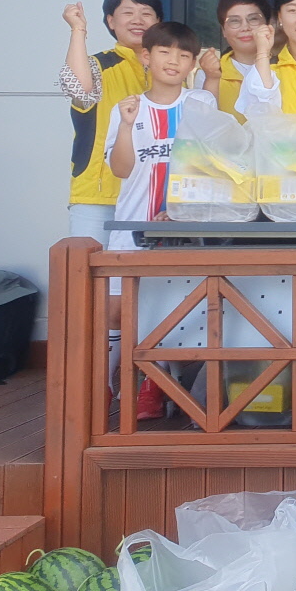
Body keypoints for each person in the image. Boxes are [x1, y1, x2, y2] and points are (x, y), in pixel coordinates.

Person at [104, 21, 217, 419]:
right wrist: (124, 125)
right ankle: (106, 386)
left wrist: (184, 209)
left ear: (192, 64)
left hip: (184, 229)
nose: (174, 60)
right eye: (165, 52)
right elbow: (120, 169)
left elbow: (211, 167)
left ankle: (155, 387)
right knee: (118, 309)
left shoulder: (201, 104)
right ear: (145, 56)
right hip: (132, 222)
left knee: (172, 310)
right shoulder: (130, 107)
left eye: (184, 55)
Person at [59, 0, 185, 243]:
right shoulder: (98, 65)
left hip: (158, 198)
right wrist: (78, 30)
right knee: (88, 276)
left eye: (146, 13)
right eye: (128, 13)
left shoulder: (175, 70)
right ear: (111, 21)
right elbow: (78, 89)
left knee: (146, 280)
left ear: (158, 21)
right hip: (101, 197)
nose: (138, 20)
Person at [213, 0, 273, 120]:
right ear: (223, 30)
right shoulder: (212, 73)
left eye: (253, 19)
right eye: (234, 21)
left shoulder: (285, 67)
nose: (245, 27)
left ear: (268, 25)